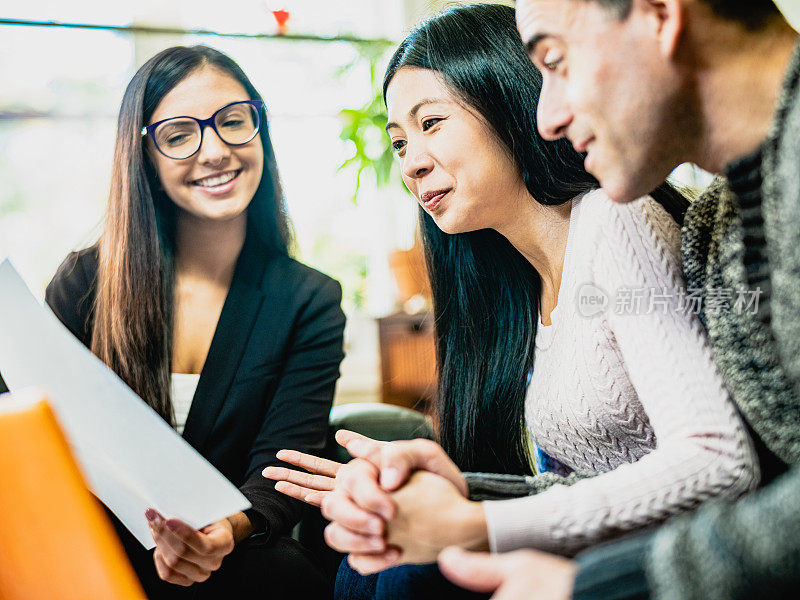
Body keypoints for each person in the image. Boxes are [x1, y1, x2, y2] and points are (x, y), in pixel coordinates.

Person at [264, 4, 759, 598]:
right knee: (364, 559)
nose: (413, 162)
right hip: (605, 545)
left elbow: (715, 461)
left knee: (403, 576)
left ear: (508, 97)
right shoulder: (515, 283)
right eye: (398, 143)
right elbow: (582, 482)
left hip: (674, 563)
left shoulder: (614, 215)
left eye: (431, 123)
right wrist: (463, 489)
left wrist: (477, 517)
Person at [430, 0, 800, 599]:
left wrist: (596, 585)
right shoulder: (713, 225)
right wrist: (473, 493)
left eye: (555, 59)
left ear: (659, 13)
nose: (545, 116)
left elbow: (724, 469)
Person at [23, 45, 345, 599]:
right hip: (98, 550)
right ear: (143, 155)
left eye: (233, 122)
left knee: (282, 573)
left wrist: (223, 534)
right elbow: (38, 441)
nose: (215, 150)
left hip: (233, 557)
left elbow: (284, 467)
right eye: (178, 135)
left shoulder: (309, 299)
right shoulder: (83, 284)